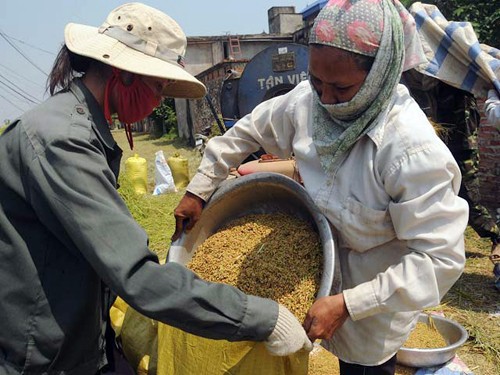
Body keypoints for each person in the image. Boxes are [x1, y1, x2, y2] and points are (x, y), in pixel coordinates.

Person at [0, 3, 312, 374]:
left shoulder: (78, 128)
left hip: (74, 333)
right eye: (158, 85)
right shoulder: (63, 141)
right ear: (123, 73)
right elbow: (138, 277)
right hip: (43, 356)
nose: (159, 98)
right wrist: (265, 317)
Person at [172, 0, 468, 374]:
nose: (326, 99)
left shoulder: (409, 151)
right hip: (314, 279)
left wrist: (349, 304)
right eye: (316, 81)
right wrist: (200, 187)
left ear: (379, 74)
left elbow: (440, 260)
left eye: (342, 88)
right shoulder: (307, 104)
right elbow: (248, 130)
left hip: (373, 302)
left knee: (364, 367)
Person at [401, 69, 500, 291]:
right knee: (449, 192)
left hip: (461, 138)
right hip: (444, 135)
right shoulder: (432, 72)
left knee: (467, 193)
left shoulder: (457, 69)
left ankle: (495, 234)